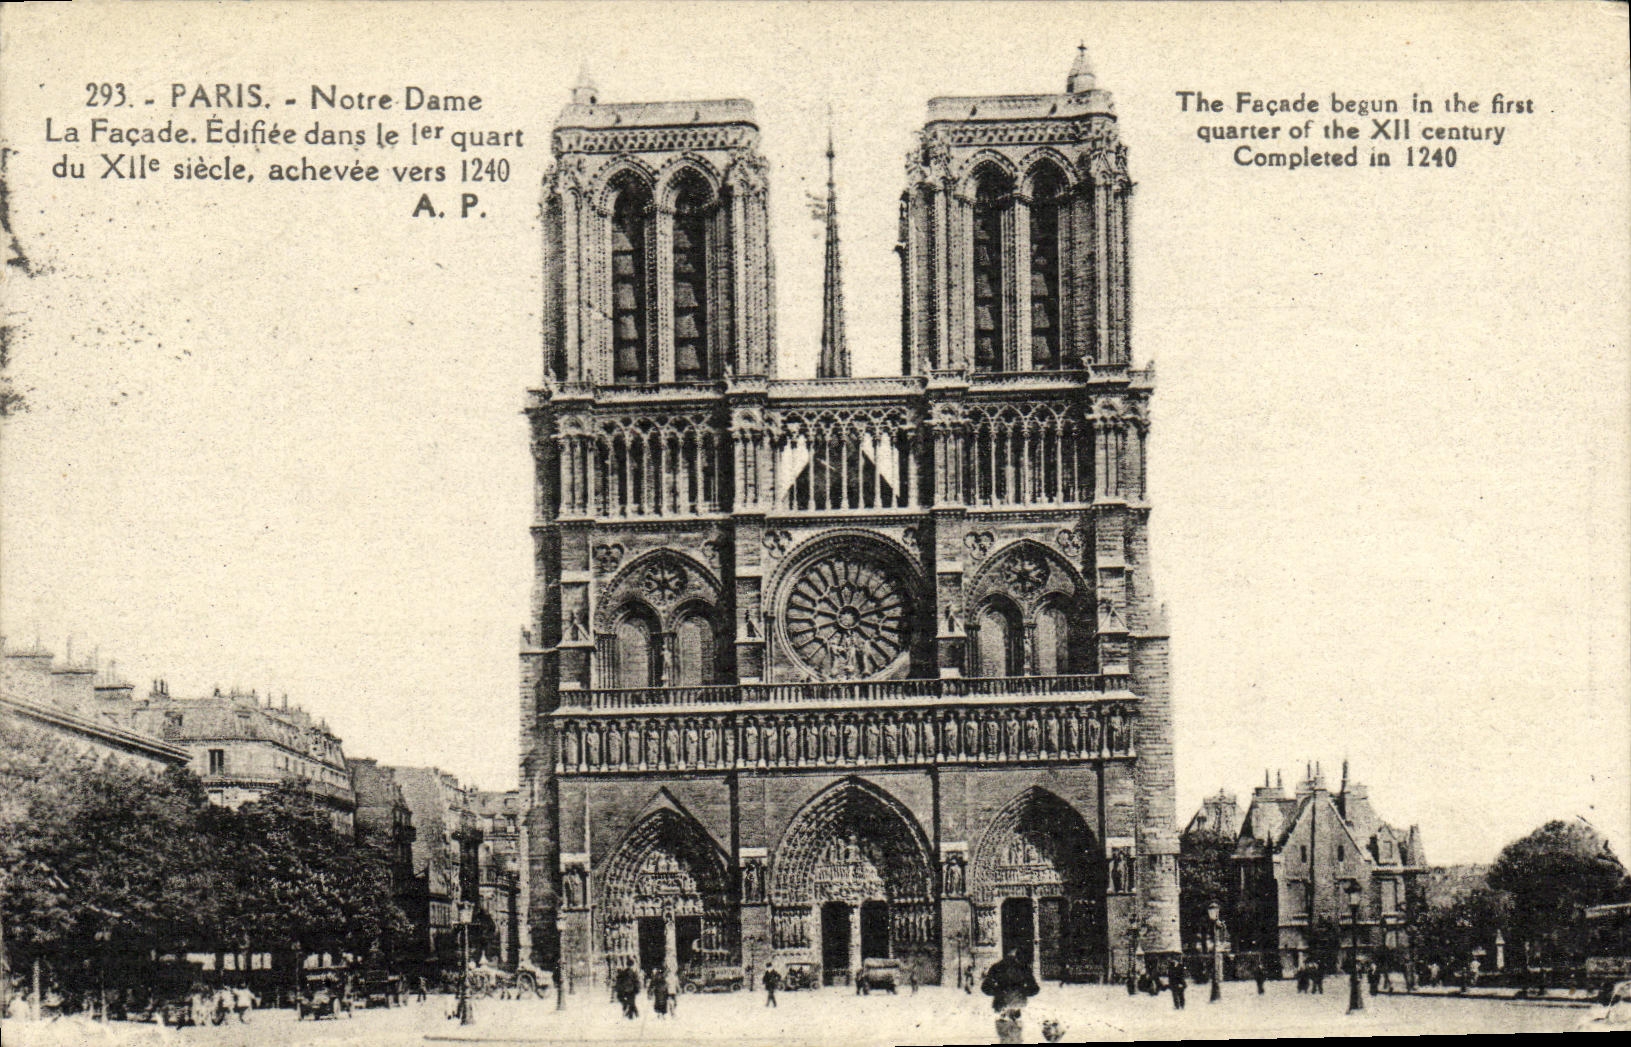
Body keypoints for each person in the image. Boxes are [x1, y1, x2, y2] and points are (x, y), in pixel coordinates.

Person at [981, 948, 1040, 1045]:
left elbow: (985, 988)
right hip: (1017, 1005)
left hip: (1001, 1006)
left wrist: (998, 991)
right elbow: (1035, 989)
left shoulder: (996, 968)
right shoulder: (1023, 968)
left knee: (1004, 1037)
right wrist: (1022, 991)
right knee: (1016, 1037)